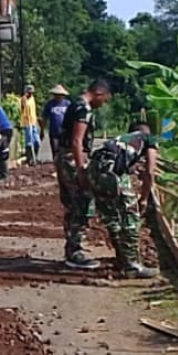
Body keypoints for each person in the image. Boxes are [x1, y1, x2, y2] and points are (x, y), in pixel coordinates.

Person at [87, 122, 159, 279]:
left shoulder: (121, 140)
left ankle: (122, 258)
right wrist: (144, 199)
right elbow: (150, 171)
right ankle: (132, 266)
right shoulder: (148, 139)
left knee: (111, 216)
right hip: (111, 170)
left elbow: (126, 164)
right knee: (131, 215)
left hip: (94, 168)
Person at [57, 80, 112, 270]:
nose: (103, 104)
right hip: (73, 159)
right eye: (104, 100)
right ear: (99, 93)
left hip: (63, 157)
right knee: (83, 202)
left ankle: (71, 249)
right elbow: (76, 140)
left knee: (72, 204)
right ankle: (75, 251)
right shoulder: (84, 109)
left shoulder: (75, 104)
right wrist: (81, 169)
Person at [41, 84, 70, 159]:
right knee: (55, 149)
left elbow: (72, 118)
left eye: (60, 95)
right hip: (53, 131)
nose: (58, 96)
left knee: (65, 150)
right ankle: (56, 163)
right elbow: (45, 118)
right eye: (56, 95)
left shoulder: (67, 104)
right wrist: (42, 130)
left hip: (65, 131)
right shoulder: (49, 104)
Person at [20, 85, 41, 166]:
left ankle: (35, 157)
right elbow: (22, 108)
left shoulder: (32, 99)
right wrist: (24, 99)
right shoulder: (23, 99)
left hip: (33, 121)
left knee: (37, 142)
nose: (30, 94)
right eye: (29, 92)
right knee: (29, 142)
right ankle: (30, 159)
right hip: (27, 122)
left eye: (31, 92)